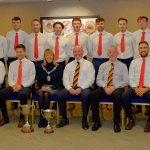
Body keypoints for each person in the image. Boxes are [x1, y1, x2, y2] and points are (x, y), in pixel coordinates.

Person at [89, 45, 128, 132]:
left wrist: (114, 87)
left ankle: (116, 122)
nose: (112, 54)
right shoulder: (103, 65)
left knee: (117, 95)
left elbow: (126, 81)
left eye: (114, 52)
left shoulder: (123, 65)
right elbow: (98, 79)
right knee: (93, 95)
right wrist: (105, 86)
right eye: (110, 52)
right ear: (107, 54)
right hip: (105, 86)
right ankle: (96, 121)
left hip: (117, 87)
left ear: (117, 53)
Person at [56, 45, 95, 129]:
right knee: (60, 95)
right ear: (73, 53)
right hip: (71, 87)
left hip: (83, 88)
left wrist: (81, 88)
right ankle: (64, 118)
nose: (77, 53)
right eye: (75, 52)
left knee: (86, 95)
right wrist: (69, 88)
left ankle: (84, 119)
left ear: (83, 52)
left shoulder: (89, 64)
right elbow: (65, 79)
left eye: (79, 51)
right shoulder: (68, 65)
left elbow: (90, 79)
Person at [0, 44, 35, 127]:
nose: (19, 53)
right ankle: (5, 118)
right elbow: (10, 78)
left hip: (26, 86)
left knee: (22, 94)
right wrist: (13, 86)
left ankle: (22, 118)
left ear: (24, 52)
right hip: (14, 86)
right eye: (17, 52)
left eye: (21, 52)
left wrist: (21, 86)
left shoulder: (30, 64)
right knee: (1, 93)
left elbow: (31, 79)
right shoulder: (12, 64)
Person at [122, 41, 150, 132]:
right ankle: (131, 119)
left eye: (145, 47)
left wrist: (147, 88)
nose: (143, 49)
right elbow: (130, 77)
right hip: (135, 88)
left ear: (148, 49)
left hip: (148, 88)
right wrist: (135, 88)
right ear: (138, 50)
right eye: (141, 48)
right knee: (124, 96)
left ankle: (149, 122)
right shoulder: (134, 62)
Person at [36, 49, 63, 128]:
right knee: (41, 94)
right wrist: (42, 87)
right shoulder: (41, 67)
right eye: (47, 55)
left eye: (50, 55)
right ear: (44, 57)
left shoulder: (58, 67)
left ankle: (47, 118)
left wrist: (52, 88)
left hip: (54, 88)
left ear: (53, 56)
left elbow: (60, 81)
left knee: (46, 95)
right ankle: (42, 118)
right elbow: (38, 80)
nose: (49, 57)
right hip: (43, 87)